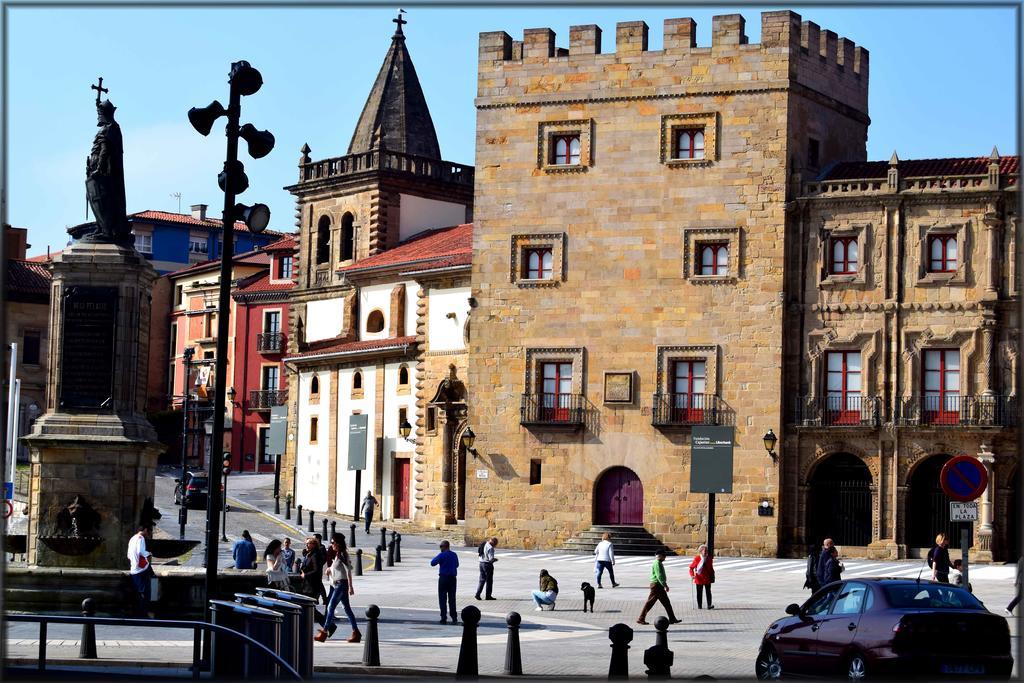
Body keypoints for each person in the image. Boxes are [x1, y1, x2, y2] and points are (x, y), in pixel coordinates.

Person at [315, 533, 361, 643]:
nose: (331, 545)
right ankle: (356, 632)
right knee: (347, 609)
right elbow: (336, 567)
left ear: (338, 543)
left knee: (331, 606)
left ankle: (324, 632)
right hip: (338, 584)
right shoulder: (337, 555)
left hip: (341, 584)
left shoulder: (342, 555)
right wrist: (329, 569)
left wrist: (351, 586)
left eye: (332, 543)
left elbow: (348, 570)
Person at [637, 550, 681, 625]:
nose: (665, 557)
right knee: (650, 603)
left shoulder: (658, 563)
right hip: (657, 586)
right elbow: (659, 576)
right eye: (664, 556)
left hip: (658, 585)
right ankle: (641, 618)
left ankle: (672, 618)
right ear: (660, 556)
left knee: (666, 603)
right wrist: (665, 585)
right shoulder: (657, 563)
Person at [127, 524, 154, 617]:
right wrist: (149, 553)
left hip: (133, 569)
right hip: (141, 569)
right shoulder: (140, 538)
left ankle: (136, 612)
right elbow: (140, 551)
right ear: (146, 530)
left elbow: (128, 555)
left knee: (137, 592)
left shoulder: (132, 538)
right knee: (145, 592)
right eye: (149, 532)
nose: (149, 535)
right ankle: (144, 613)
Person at [430, 540, 460, 624]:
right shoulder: (454, 554)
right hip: (453, 578)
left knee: (442, 598)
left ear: (445, 546)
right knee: (452, 599)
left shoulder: (442, 555)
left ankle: (443, 617)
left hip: (443, 578)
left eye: (441, 547)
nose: (440, 548)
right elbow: (457, 565)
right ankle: (454, 617)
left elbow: (432, 563)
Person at [689, 544, 715, 609]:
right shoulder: (697, 558)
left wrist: (713, 575)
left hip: (707, 578)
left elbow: (711, 568)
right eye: (704, 551)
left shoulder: (709, 559)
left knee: (708, 592)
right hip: (699, 578)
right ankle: (699, 605)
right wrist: (692, 575)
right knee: (699, 593)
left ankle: (709, 605)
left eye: (706, 551)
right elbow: (691, 568)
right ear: (701, 551)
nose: (706, 552)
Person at [299, 537, 325, 602]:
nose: (306, 545)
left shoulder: (315, 555)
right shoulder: (309, 554)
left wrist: (305, 575)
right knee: (309, 608)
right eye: (306, 543)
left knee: (310, 607)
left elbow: (316, 570)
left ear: (314, 544)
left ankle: (325, 599)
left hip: (313, 585)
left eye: (308, 543)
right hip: (307, 585)